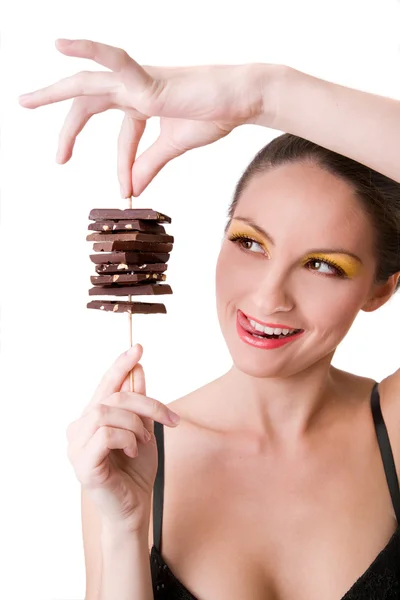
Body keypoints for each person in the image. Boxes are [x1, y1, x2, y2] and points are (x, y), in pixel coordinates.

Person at [19, 39, 400, 600]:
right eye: (250, 242)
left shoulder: (391, 431)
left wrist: (260, 93)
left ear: (381, 290)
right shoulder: (130, 457)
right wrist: (126, 531)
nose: (270, 296)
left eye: (323, 264)